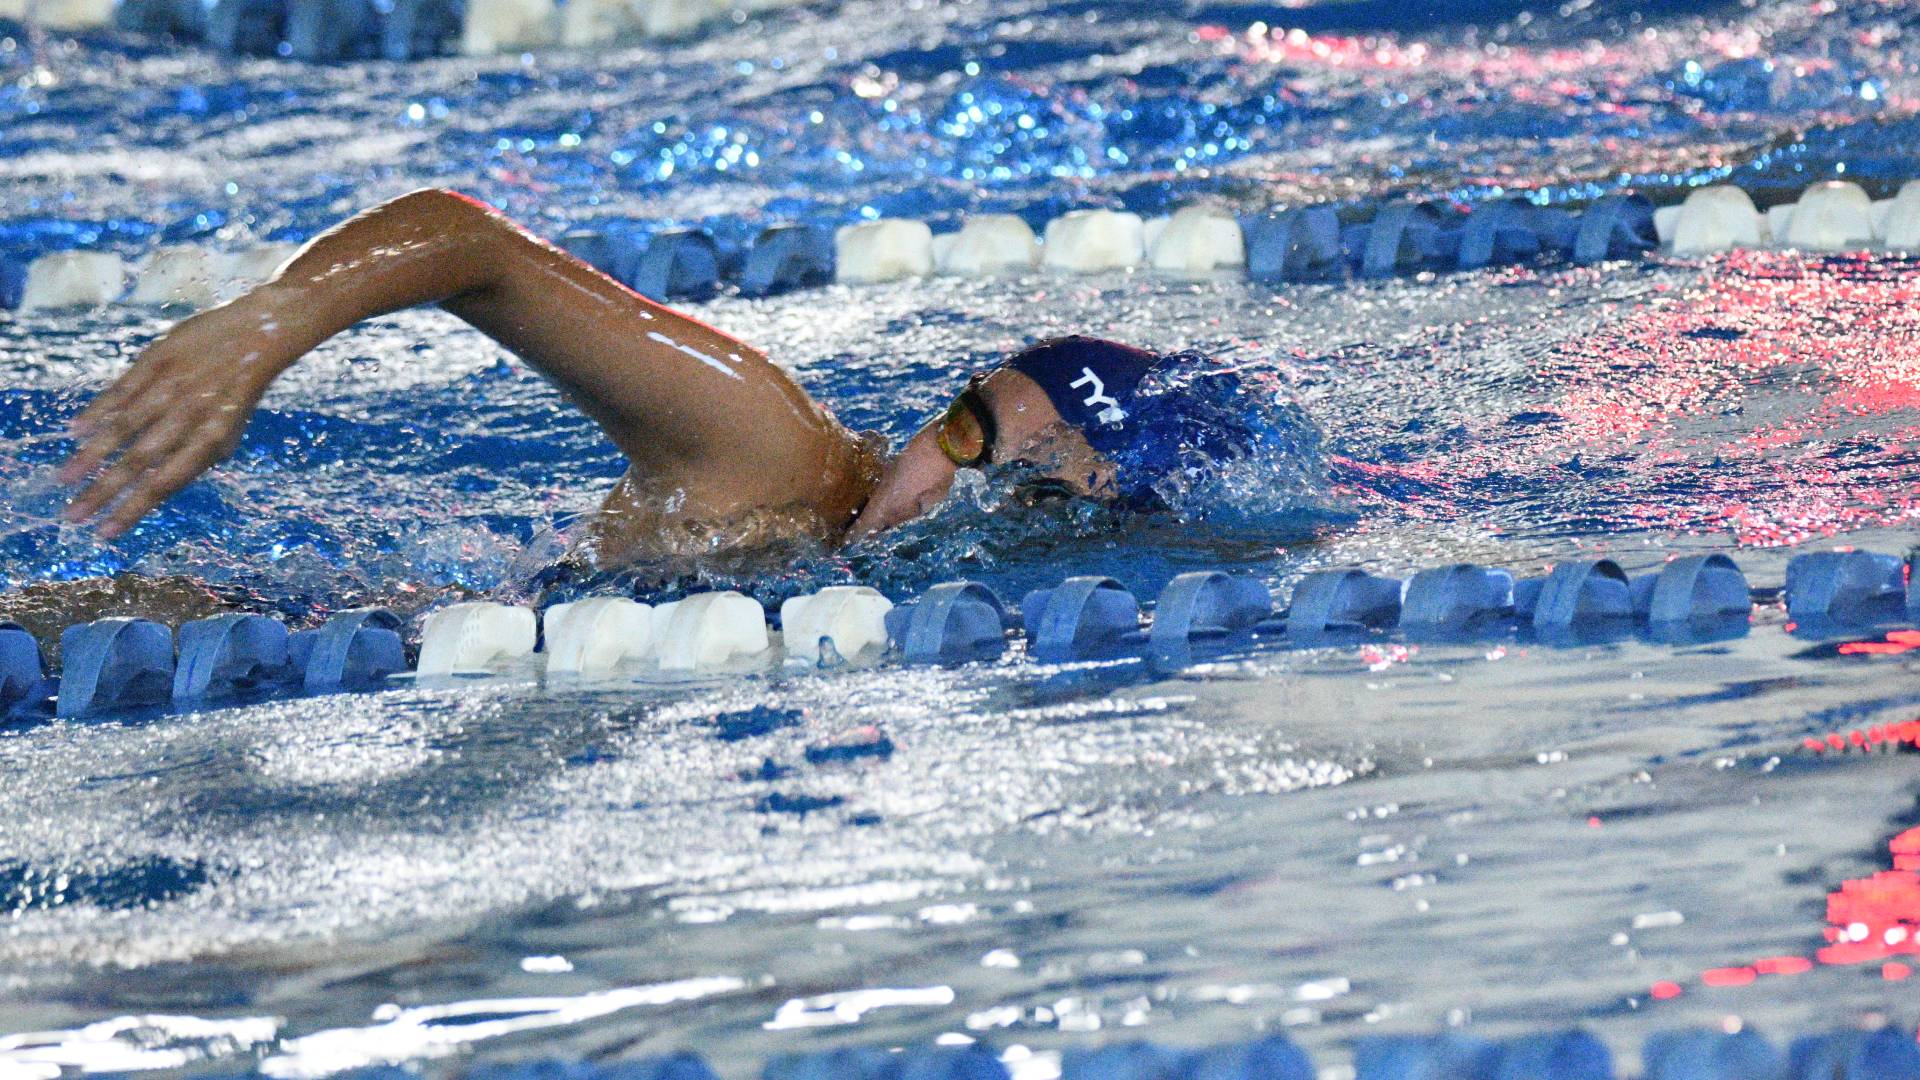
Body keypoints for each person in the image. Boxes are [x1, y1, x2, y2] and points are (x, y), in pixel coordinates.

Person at [57, 188, 1252, 578]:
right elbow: (465, 245)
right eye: (964, 427)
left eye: (1025, 494)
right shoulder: (778, 457)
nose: (941, 488)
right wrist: (266, 324)